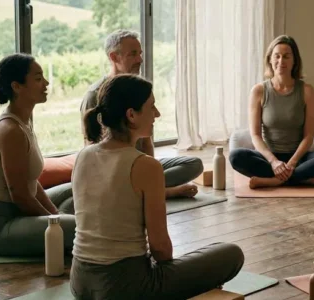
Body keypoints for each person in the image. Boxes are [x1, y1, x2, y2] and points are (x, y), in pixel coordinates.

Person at [70, 74, 244, 299]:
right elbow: (160, 248)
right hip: (123, 287)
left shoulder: (83, 155)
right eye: (151, 107)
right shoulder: (144, 166)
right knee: (230, 254)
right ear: (131, 115)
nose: (157, 114)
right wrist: (170, 276)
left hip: (79, 281)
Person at [0, 53, 76, 256]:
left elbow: (31, 182)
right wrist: (55, 224)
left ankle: (65, 225)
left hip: (18, 213)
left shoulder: (23, 122)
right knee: (87, 231)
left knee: (75, 189)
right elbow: (20, 196)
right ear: (16, 86)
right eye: (38, 78)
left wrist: (53, 215)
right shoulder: (10, 131)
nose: (46, 83)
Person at [80, 29, 201, 199]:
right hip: (113, 170)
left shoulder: (139, 89)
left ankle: (146, 189)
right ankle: (160, 192)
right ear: (114, 57)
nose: (140, 59)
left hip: (140, 164)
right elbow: (90, 144)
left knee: (194, 164)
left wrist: (149, 168)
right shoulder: (95, 95)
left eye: (140, 53)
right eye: (133, 54)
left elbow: (147, 142)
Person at [228, 35, 314, 189]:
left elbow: (309, 135)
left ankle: (273, 181)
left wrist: (292, 163)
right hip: (268, 159)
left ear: (294, 61)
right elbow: (255, 135)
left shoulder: (307, 91)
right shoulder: (259, 91)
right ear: (270, 59)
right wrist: (274, 162)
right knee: (236, 156)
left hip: (298, 159)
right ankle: (300, 179)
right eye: (277, 56)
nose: (281, 61)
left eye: (287, 56)